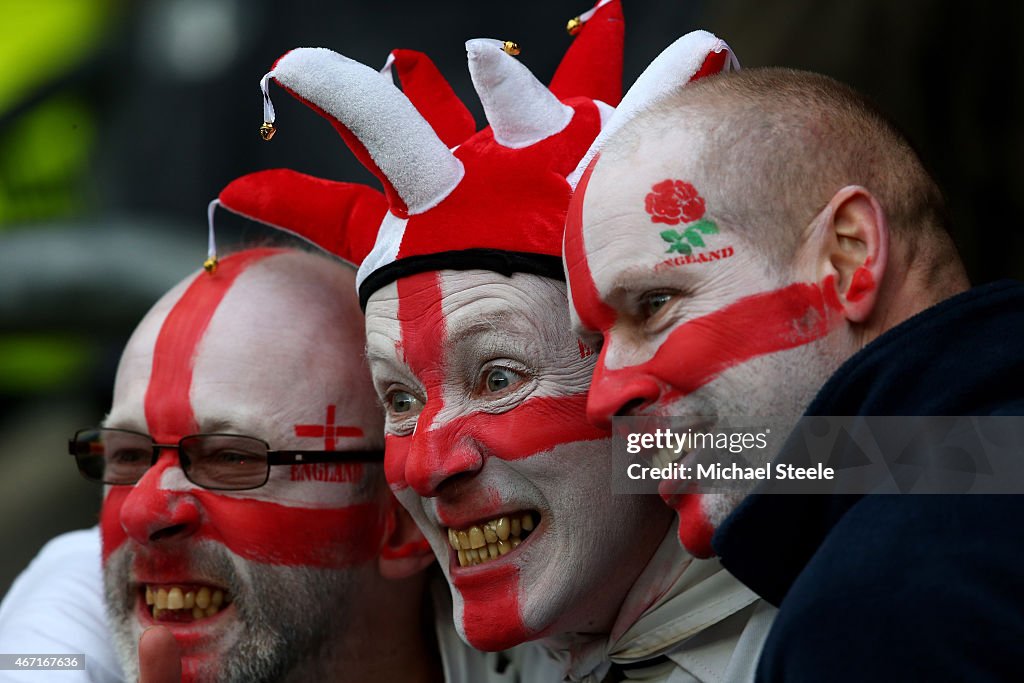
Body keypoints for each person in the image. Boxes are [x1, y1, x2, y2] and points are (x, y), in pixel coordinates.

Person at [259, 5, 776, 680]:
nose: (427, 467)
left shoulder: (848, 596)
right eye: (400, 398)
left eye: (499, 378)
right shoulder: (433, 630)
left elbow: (947, 459)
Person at [565, 62, 1024, 680]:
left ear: (848, 258)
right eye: (595, 346)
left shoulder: (877, 606)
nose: (603, 401)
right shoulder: (991, 465)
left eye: (655, 304)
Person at [0, 171, 454, 682]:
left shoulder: (541, 631)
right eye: (127, 456)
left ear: (403, 520)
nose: (143, 513)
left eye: (232, 458)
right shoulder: (71, 604)